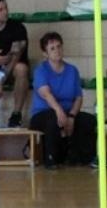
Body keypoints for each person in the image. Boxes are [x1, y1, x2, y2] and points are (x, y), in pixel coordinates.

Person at [30, 32, 96, 168]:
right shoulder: (41, 71)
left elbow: (78, 97)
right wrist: (59, 111)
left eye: (59, 46)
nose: (57, 50)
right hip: (43, 113)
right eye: (52, 48)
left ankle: (83, 158)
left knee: (89, 120)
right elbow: (46, 94)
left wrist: (71, 116)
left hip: (67, 112)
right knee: (53, 120)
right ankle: (51, 159)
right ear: (45, 53)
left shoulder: (72, 70)